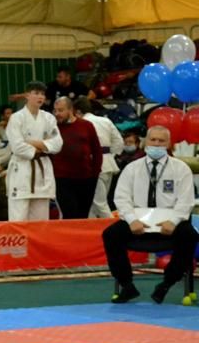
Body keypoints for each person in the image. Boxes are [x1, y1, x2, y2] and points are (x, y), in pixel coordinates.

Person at [103, 125, 198, 304]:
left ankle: (166, 284)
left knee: (190, 236)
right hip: (138, 221)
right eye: (153, 140)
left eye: (161, 141)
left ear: (168, 144)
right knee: (111, 234)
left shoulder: (181, 168)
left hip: (169, 222)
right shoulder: (132, 168)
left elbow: (186, 201)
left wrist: (174, 221)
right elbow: (121, 198)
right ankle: (127, 285)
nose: (156, 144)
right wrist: (132, 220)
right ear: (145, 142)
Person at [5, 81, 63, 221]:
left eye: (42, 94)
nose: (40, 97)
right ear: (27, 95)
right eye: (36, 93)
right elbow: (17, 147)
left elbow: (58, 144)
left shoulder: (49, 118)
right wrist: (44, 146)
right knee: (18, 220)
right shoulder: (16, 118)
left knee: (41, 221)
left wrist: (32, 142)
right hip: (22, 171)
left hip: (42, 173)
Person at [51, 97, 103, 219]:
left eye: (60, 110)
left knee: (83, 214)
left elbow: (96, 150)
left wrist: (95, 173)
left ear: (71, 110)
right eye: (55, 110)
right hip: (61, 178)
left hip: (86, 177)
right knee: (69, 214)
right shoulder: (53, 128)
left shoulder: (86, 125)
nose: (57, 114)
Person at [73, 97, 124, 218]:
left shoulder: (81, 123)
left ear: (78, 112)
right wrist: (110, 155)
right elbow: (119, 142)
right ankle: (92, 228)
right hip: (108, 164)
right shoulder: (105, 121)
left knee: (99, 203)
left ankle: (113, 226)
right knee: (93, 203)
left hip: (93, 165)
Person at [109, 130, 145, 211]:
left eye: (130, 142)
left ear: (137, 144)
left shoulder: (142, 156)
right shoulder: (120, 156)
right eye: (126, 142)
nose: (128, 144)